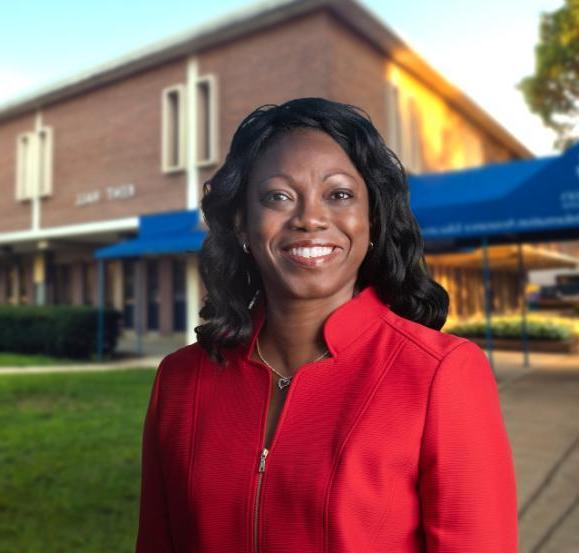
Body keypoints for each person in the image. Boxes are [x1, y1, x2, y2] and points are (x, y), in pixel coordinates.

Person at [135, 97, 518, 552]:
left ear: (372, 217)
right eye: (278, 196)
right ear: (241, 223)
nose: (310, 219)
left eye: (339, 195)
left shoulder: (441, 374)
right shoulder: (180, 381)